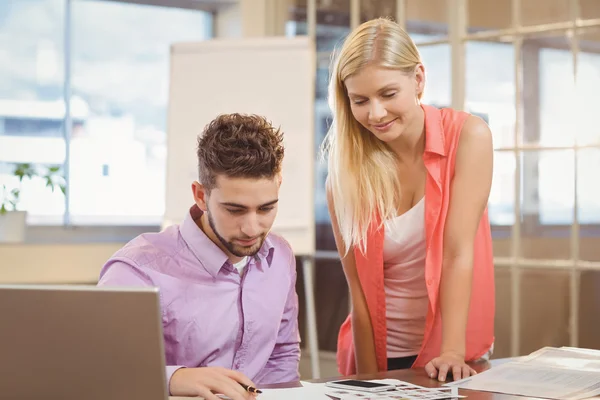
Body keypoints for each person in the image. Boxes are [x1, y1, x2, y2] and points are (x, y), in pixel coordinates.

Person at [323, 17, 495, 383]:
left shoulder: (468, 138)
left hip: (453, 351)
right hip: (383, 352)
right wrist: (370, 379)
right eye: (360, 100)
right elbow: (358, 288)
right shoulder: (345, 178)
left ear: (418, 79)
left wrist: (451, 351)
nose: (376, 114)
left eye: (388, 94)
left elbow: (457, 253)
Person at [98, 113, 301, 400]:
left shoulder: (280, 256)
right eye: (235, 210)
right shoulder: (136, 270)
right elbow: (101, 370)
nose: (252, 228)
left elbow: (282, 355)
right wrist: (173, 378)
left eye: (266, 208)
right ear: (200, 195)